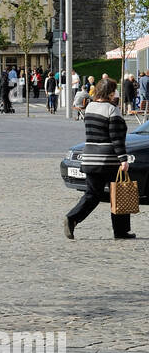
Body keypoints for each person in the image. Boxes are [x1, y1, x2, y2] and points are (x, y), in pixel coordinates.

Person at [65, 78, 133, 240]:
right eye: (114, 91)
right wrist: (123, 159)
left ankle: (72, 218)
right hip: (108, 159)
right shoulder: (112, 110)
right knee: (119, 193)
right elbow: (116, 138)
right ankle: (121, 230)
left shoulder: (90, 107)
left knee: (92, 194)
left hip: (89, 157)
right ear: (110, 93)